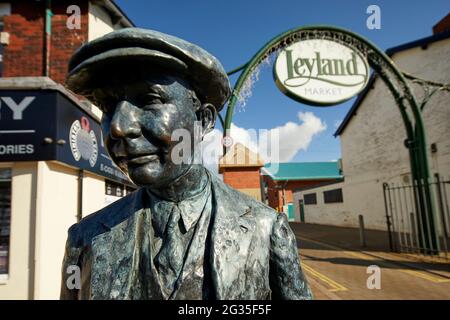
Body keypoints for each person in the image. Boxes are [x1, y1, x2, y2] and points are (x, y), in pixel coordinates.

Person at [60, 28, 312, 300]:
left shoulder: (266, 229)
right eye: (108, 107)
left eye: (149, 100)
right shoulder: (84, 239)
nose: (119, 127)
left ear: (202, 120)